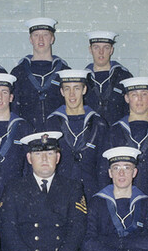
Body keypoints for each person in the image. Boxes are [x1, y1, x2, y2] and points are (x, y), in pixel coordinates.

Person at [104, 77, 148, 204]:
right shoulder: (114, 131)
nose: (139, 99)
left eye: (144, 94)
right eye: (134, 95)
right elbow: (104, 171)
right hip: (121, 200)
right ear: (126, 98)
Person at [44, 69, 108, 199]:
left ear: (84, 90)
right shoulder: (52, 122)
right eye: (67, 89)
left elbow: (103, 166)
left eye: (77, 88)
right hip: (60, 192)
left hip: (91, 191)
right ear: (62, 92)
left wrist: (102, 196)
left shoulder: (98, 123)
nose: (72, 94)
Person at [10, 17, 70, 131]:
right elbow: (13, 109)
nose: (41, 39)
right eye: (36, 35)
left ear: (52, 38)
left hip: (59, 133)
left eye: (45, 35)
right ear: (30, 39)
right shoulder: (18, 72)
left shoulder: (65, 72)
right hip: (26, 134)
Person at [82, 31, 132, 125]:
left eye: (106, 47)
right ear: (90, 49)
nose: (101, 52)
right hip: (90, 136)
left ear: (111, 50)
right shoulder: (82, 79)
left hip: (117, 135)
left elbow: (131, 111)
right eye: (96, 47)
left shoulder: (124, 77)